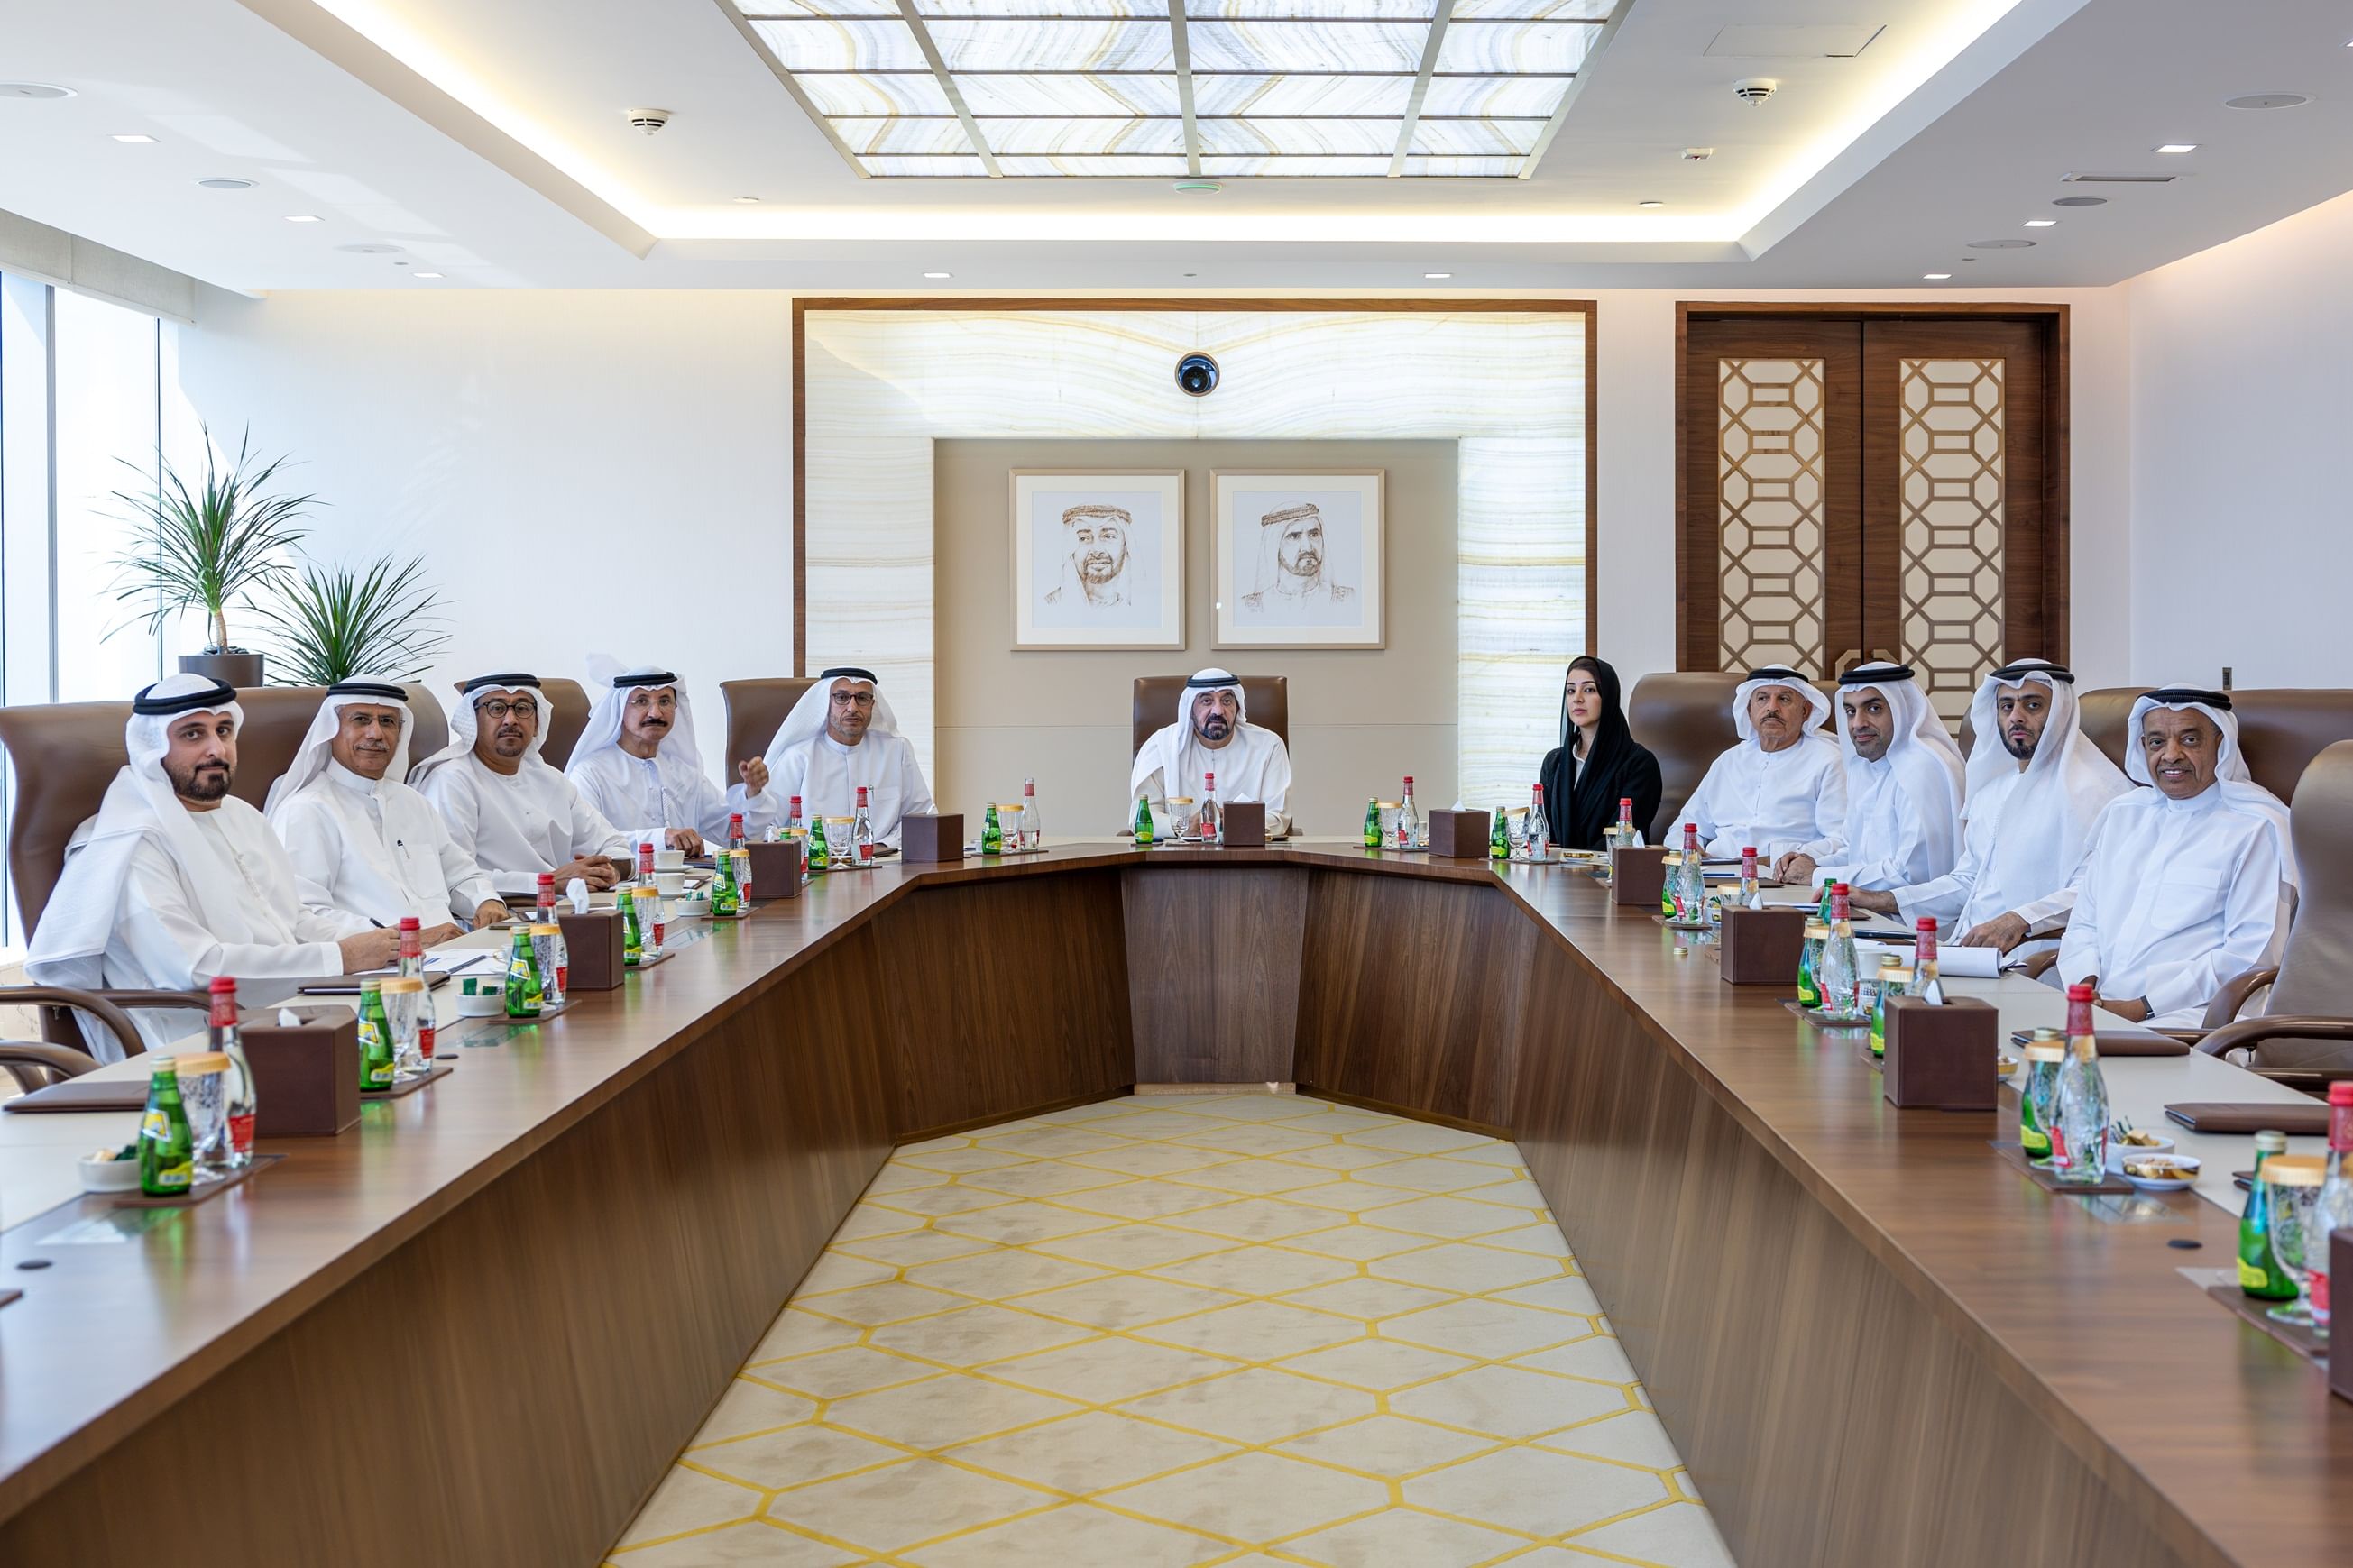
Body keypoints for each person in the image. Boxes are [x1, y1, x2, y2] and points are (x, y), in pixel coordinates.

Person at [23, 674, 400, 1058]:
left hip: (282, 1014)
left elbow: (293, 920)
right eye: (193, 735)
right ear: (153, 747)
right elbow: (195, 968)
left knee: (410, 1025)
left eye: (224, 731)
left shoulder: (241, 816)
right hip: (188, 1046)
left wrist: (381, 944)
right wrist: (341, 957)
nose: (216, 749)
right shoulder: (131, 843)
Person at [2054, 688, 2293, 1026]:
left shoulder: (2257, 826)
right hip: (2102, 1009)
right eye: (2157, 742)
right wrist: (2086, 991)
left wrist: (2140, 1008)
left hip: (2196, 1018)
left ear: (2221, 744)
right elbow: (2084, 924)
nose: (2171, 755)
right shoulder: (2123, 815)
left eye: (2190, 740)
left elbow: (2251, 954)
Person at [1851, 659, 2129, 949]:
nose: (2016, 717)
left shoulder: (2094, 793)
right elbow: (1968, 881)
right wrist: (1882, 899)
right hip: (1968, 950)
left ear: (2061, 712)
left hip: (2034, 955)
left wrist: (2019, 920)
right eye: (2006, 706)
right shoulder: (1992, 791)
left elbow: (2094, 890)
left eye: (2033, 705)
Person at [266, 681, 508, 939]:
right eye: (361, 720)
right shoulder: (307, 811)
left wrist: (486, 901)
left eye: (387, 722)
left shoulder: (412, 801)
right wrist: (406, 939)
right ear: (331, 730)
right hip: (379, 961)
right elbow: (304, 916)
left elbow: (459, 874)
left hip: (453, 951)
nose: (375, 734)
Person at [411, 672, 632, 896]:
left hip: (564, 906)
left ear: (536, 724)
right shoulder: (451, 781)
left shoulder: (551, 780)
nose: (511, 720)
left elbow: (618, 847)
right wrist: (547, 882)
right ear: (472, 721)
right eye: (497, 708)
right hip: (495, 913)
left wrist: (608, 871)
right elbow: (453, 877)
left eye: (523, 708)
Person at [1777, 661, 1964, 892]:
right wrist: (1809, 864)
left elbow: (1912, 874)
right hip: (1866, 905)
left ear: (1902, 709)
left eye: (1874, 709)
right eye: (1851, 711)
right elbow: (1855, 853)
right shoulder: (1863, 766)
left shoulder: (1923, 767)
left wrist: (1818, 875)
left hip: (1911, 912)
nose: (1858, 724)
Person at [564, 661, 781, 856]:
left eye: (665, 701)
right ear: (619, 709)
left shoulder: (684, 774)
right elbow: (589, 843)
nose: (655, 713)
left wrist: (753, 793)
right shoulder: (589, 773)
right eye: (642, 701)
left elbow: (735, 834)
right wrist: (662, 838)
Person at [1668, 666, 1846, 860]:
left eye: (1784, 699)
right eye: (1762, 698)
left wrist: (1787, 858)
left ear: (1805, 711)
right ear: (1749, 710)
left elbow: (1842, 841)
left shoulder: (1829, 760)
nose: (1772, 708)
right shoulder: (1728, 761)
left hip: (1783, 873)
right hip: (1714, 868)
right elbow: (1683, 828)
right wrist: (1690, 848)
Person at [762, 666, 936, 848]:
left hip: (884, 861)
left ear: (872, 705)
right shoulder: (798, 758)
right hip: (818, 863)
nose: (852, 708)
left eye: (862, 698)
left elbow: (921, 818)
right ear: (826, 703)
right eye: (842, 697)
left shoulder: (897, 751)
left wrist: (884, 845)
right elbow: (767, 826)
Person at [1130, 668, 1293, 832]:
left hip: (1246, 848)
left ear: (1237, 708)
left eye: (1226, 701)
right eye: (1207, 701)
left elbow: (1277, 818)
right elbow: (1142, 818)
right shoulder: (1161, 747)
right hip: (1178, 848)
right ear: (1190, 709)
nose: (1218, 711)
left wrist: (1236, 820)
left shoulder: (1269, 746)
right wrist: (1184, 825)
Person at [1538, 656, 1662, 850]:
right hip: (1556, 868)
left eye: (1589, 690)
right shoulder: (1554, 763)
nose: (1577, 698)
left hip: (1610, 869)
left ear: (1608, 696)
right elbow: (1544, 831)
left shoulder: (1639, 764)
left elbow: (1622, 839)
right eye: (1571, 690)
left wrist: (1576, 863)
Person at [1240, 503, 1352, 614]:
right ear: (1274, 546)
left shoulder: (1348, 599)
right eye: (1294, 536)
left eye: (1314, 534)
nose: (1307, 547)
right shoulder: (1249, 607)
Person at [1043, 505, 1135, 609]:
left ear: (1126, 545)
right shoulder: (1051, 604)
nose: (1097, 550)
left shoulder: (1139, 604)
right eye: (1083, 538)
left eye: (1108, 536)